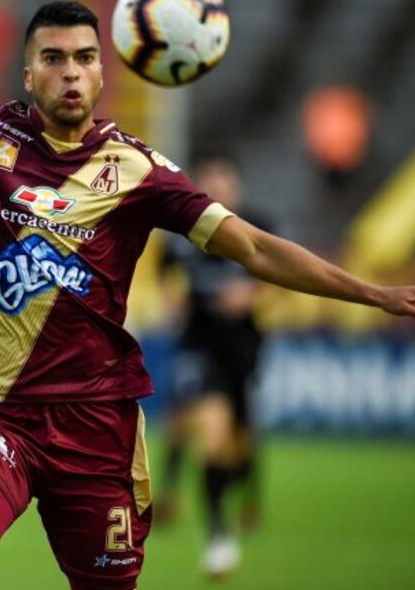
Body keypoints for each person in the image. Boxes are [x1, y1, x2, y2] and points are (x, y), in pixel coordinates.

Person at [0, 1, 415, 590]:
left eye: (85, 58)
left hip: (94, 423)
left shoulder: (139, 169)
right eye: (53, 58)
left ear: (103, 71)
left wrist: (374, 294)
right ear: (28, 73)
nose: (71, 72)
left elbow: (255, 249)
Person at [157, 156, 270, 577]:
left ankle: (248, 496)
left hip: (242, 346)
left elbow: (280, 275)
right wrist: (173, 299)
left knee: (241, 438)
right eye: (208, 179)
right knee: (205, 431)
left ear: (235, 185)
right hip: (196, 345)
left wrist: (252, 294)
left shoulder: (256, 224)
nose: (216, 185)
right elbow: (165, 273)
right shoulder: (182, 232)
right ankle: (219, 538)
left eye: (223, 178)